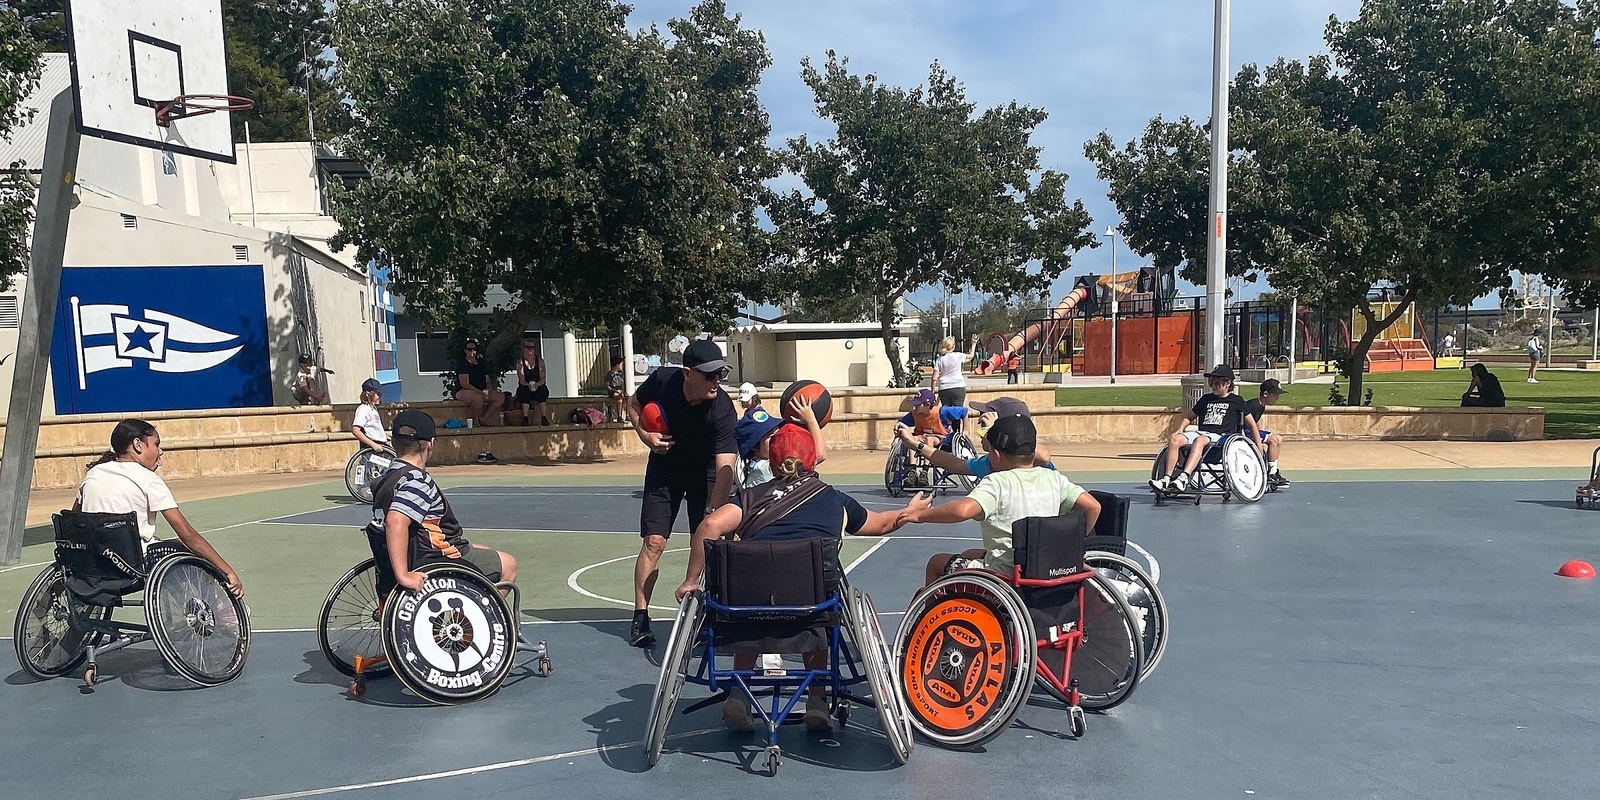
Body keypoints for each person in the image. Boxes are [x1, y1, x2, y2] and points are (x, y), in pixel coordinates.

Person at [674, 424, 930, 731]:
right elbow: (882, 524)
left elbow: (710, 526)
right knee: (821, 596)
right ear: (812, 461)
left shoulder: (749, 497)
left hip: (748, 609)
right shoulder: (833, 499)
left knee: (749, 592)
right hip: (809, 609)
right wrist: (908, 511)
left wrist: (691, 581)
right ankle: (817, 699)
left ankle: (739, 693)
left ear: (771, 463)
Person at [627, 338, 739, 647]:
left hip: (706, 471)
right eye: (710, 374)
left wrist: (712, 512)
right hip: (665, 467)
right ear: (688, 373)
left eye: (721, 374)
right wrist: (645, 436)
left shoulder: (722, 409)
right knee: (653, 542)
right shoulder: (662, 380)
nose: (716, 380)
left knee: (706, 541)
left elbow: (726, 465)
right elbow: (633, 405)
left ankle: (706, 614)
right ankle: (640, 616)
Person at [900, 415, 1099, 585]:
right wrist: (1072, 550)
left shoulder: (997, 482)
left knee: (936, 563)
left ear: (995, 454)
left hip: (1004, 576)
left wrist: (920, 515)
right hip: (1045, 570)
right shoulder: (1054, 478)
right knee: (970, 553)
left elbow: (962, 510)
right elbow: (1093, 507)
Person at [75, 419, 244, 598]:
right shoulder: (147, 479)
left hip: (93, 563)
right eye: (156, 444)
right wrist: (227, 570)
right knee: (183, 551)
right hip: (132, 565)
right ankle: (219, 607)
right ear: (138, 445)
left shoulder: (94, 474)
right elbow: (186, 533)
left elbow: (74, 518)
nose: (160, 451)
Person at [368, 410, 517, 593]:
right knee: (508, 564)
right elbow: (395, 521)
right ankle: (471, 620)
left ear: (393, 442)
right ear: (430, 445)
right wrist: (403, 575)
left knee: (479, 548)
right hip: (432, 558)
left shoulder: (386, 478)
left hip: (411, 554)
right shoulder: (416, 480)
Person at [1149, 364, 1265, 493]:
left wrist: (1258, 449)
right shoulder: (1206, 399)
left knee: (1200, 440)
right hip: (1203, 433)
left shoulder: (1237, 400)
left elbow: (1252, 424)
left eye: (1216, 383)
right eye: (1211, 383)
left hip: (1222, 438)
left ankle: (1184, 477)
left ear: (1227, 383)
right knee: (1175, 439)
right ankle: (1166, 479)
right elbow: (1190, 416)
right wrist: (1180, 428)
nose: (1213, 386)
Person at [895, 396, 1054, 478]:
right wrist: (914, 443)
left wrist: (994, 431)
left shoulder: (1037, 467)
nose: (980, 429)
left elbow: (1044, 456)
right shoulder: (992, 462)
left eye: (983, 423)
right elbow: (955, 465)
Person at [734, 393, 828, 489]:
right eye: (771, 436)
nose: (778, 439)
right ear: (754, 447)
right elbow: (819, 455)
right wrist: (811, 420)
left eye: (778, 432)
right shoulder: (764, 469)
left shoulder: (757, 463)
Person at [1244, 378, 1290, 487]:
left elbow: (1255, 422)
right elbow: (1248, 424)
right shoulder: (1253, 405)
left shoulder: (1260, 405)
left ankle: (1273, 470)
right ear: (1265, 394)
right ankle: (1271, 473)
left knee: (1278, 438)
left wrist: (1261, 433)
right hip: (1245, 432)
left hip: (1251, 431)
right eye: (1275, 395)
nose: (1277, 398)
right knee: (1274, 440)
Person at [932, 334, 979, 410]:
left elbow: (934, 378)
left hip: (944, 389)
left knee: (946, 413)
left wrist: (932, 392)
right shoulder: (958, 355)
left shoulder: (939, 360)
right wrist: (973, 344)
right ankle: (956, 422)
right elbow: (970, 356)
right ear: (953, 347)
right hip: (958, 387)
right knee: (957, 412)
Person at [513, 340, 552, 426]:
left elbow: (543, 378)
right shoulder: (520, 363)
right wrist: (529, 385)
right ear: (524, 349)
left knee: (542, 391)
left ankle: (544, 417)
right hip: (526, 385)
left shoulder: (540, 362)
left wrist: (536, 385)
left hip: (538, 385)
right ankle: (525, 417)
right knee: (524, 392)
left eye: (533, 348)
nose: (531, 350)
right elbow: (521, 380)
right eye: (528, 348)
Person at [352, 378, 391, 454]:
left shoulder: (374, 409)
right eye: (377, 394)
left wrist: (384, 436)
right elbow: (356, 430)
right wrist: (373, 445)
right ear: (367, 394)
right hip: (372, 448)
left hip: (382, 445)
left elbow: (373, 428)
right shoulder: (363, 409)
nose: (380, 397)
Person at [605, 357, 629, 424]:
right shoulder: (609, 375)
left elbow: (622, 384)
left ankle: (627, 415)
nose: (622, 366)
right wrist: (615, 391)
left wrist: (623, 392)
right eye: (621, 364)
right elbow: (607, 386)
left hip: (620, 391)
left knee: (628, 397)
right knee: (619, 398)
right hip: (613, 392)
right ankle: (619, 416)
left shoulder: (620, 374)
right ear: (617, 365)